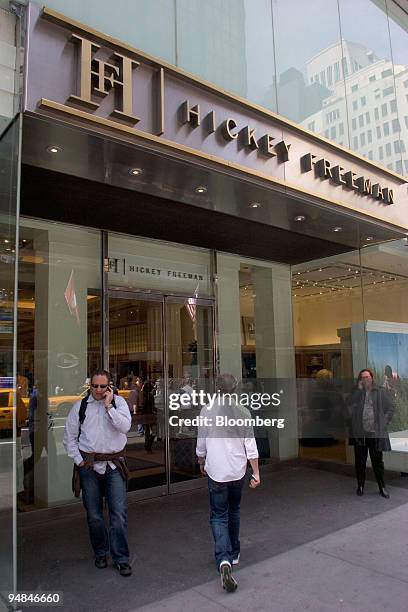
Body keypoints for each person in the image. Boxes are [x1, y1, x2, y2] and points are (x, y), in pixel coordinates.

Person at [63, 369, 132, 576]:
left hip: (113, 466)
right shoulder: (80, 407)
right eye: (95, 386)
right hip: (90, 467)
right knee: (94, 515)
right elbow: (69, 438)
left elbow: (125, 427)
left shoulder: (119, 404)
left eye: (103, 386)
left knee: (118, 514)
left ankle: (121, 557)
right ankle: (100, 551)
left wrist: (109, 406)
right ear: (90, 386)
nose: (99, 390)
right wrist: (80, 461)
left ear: (109, 386)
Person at [196, 373, 260, 593]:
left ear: (216, 388)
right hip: (237, 471)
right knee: (234, 511)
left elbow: (201, 442)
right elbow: (250, 445)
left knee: (218, 515)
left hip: (216, 471)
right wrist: (257, 473)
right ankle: (234, 553)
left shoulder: (207, 410)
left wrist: (201, 460)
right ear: (235, 389)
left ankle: (223, 560)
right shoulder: (243, 411)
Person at [346, 368, 395, 498]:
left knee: (377, 462)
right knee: (360, 461)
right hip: (360, 433)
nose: (366, 379)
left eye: (367, 377)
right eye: (363, 377)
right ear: (360, 380)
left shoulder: (379, 391)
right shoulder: (356, 392)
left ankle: (382, 487)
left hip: (375, 434)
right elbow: (348, 404)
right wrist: (358, 390)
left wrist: (384, 421)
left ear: (372, 378)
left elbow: (390, 407)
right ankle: (360, 486)